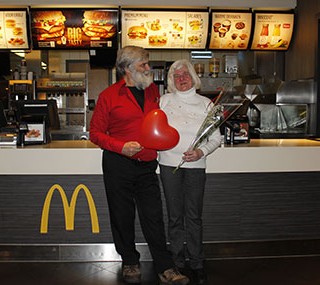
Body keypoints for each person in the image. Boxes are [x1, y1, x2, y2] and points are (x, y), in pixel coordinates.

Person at [89, 46, 189, 285]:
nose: (148, 68)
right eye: (143, 64)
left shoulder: (154, 91)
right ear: (127, 68)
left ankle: (165, 267)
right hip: (118, 163)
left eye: (147, 63)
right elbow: (95, 133)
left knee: (153, 217)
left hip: (146, 165)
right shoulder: (109, 95)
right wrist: (120, 146)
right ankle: (130, 262)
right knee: (122, 215)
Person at [158, 59, 221, 285]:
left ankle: (197, 261)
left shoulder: (207, 105)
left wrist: (201, 152)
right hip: (168, 165)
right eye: (177, 76)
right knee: (175, 216)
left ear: (193, 77)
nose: (181, 79)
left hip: (195, 167)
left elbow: (216, 138)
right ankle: (177, 261)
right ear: (171, 80)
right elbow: (155, 132)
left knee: (193, 216)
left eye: (185, 74)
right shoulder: (164, 101)